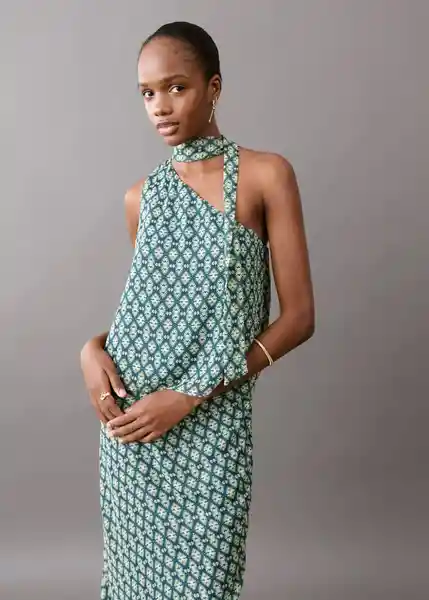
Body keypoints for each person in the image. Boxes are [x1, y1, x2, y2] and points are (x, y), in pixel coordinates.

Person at [80, 20, 315, 600]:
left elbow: (299, 318)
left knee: (207, 584)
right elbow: (156, 312)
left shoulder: (266, 175)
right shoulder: (141, 198)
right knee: (132, 584)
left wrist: (190, 395)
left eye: (176, 87)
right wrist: (92, 350)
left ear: (214, 88)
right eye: (147, 93)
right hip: (134, 425)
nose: (160, 106)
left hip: (211, 418)